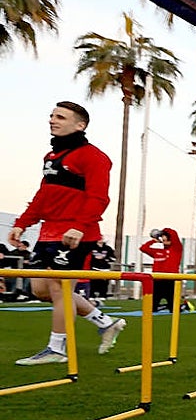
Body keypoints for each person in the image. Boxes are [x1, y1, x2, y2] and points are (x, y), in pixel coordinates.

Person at [9, 102, 126, 365]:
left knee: (60, 289)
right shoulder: (51, 158)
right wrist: (22, 223)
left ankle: (56, 349)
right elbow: (43, 195)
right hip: (48, 233)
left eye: (60, 117)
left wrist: (80, 225)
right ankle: (105, 323)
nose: (52, 120)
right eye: (51, 115)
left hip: (75, 234)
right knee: (40, 290)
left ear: (80, 125)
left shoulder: (94, 157)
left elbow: (99, 197)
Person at [139, 227, 184, 312]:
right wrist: (154, 240)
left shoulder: (176, 249)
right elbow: (143, 248)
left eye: (165, 237)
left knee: (174, 308)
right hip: (158, 281)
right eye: (163, 237)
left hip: (170, 281)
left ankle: (182, 306)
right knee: (152, 308)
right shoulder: (157, 252)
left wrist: (163, 232)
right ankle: (163, 306)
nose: (164, 239)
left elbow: (173, 235)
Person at [85, 237, 116, 301]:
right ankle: (91, 295)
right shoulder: (92, 247)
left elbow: (113, 258)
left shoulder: (108, 248)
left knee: (104, 283)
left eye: (101, 238)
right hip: (94, 268)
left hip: (105, 269)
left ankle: (103, 295)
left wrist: (105, 259)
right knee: (93, 282)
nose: (100, 239)